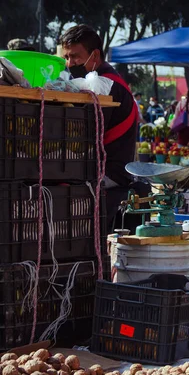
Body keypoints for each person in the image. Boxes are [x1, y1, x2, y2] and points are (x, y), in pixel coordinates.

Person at [60, 24, 140, 232]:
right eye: (66, 58)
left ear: (94, 56)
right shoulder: (97, 83)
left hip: (110, 174)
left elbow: (84, 136)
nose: (70, 64)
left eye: (75, 56)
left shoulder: (106, 86)